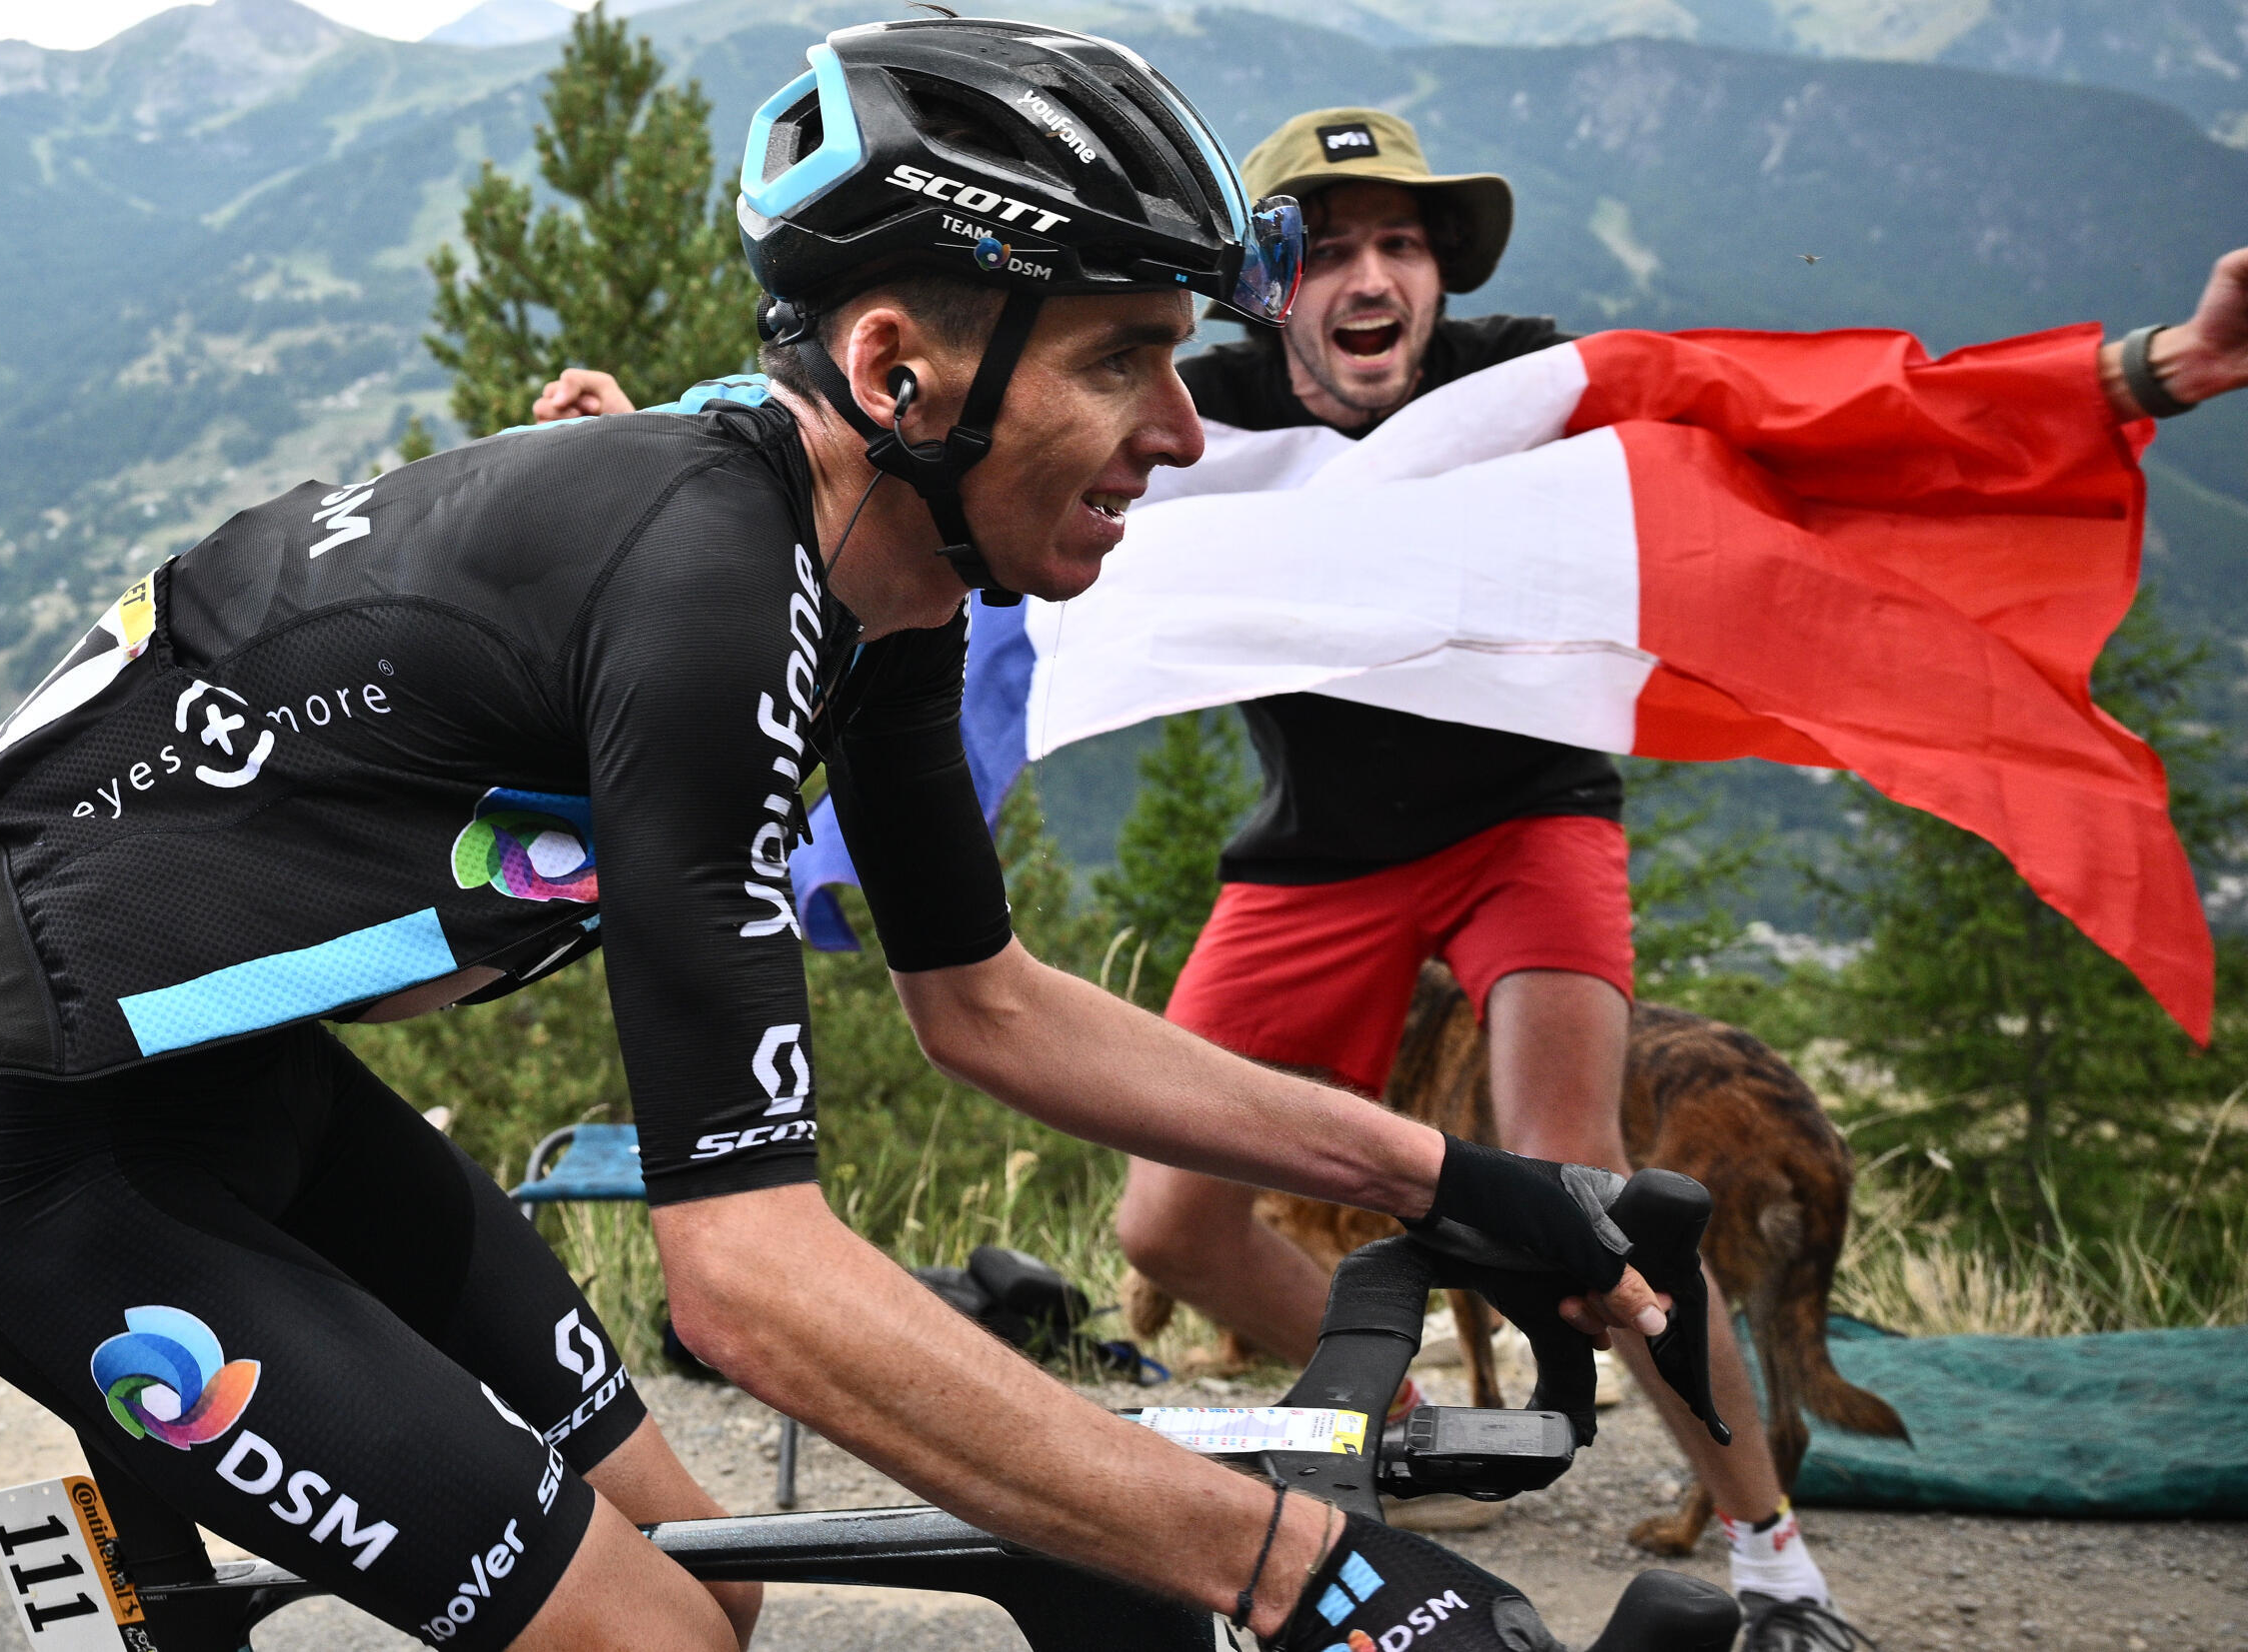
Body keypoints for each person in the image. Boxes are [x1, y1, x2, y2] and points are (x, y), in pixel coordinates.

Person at [0, 25, 1687, 1652]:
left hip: (239, 1084)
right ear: (899, 367)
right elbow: (741, 1278)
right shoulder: (710, 587)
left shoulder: (891, 581)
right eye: (1129, 360)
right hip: (37, 1143)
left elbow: (994, 1006)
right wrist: (1292, 1570)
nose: (1188, 433)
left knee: (710, 1581)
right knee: (644, 1638)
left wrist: (1457, 1185)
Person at [541, 105, 2248, 1652]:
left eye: (1406, 245)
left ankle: (1776, 1555)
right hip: (1324, 852)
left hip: (1533, 827)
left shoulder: (1540, 390)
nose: (1375, 278)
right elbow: (887, 399)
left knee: (1579, 1184)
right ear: (1270, 294)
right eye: (1333, 247)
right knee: (1166, 1219)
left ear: (1441, 280)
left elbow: (1809, 419)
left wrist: (2148, 368)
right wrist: (659, 431)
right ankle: (1419, 1432)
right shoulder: (1215, 421)